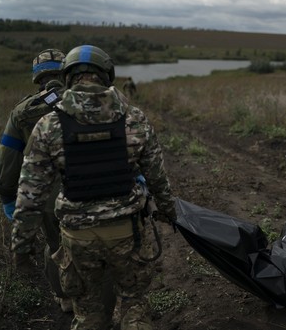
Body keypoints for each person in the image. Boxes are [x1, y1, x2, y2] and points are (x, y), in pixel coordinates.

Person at [11, 44, 177, 330]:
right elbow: (157, 179)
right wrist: (168, 210)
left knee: (87, 312)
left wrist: (21, 247)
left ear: (67, 77)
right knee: (134, 304)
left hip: (77, 239)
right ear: (107, 75)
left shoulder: (49, 125)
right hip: (127, 234)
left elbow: (30, 196)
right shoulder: (134, 118)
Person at [0, 48, 75, 311]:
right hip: (86, 189)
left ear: (36, 77)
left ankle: (64, 298)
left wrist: (7, 196)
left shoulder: (22, 112)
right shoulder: (84, 100)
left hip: (45, 197)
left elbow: (7, 160)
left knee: (55, 245)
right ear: (65, 71)